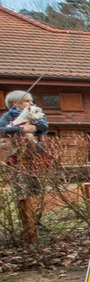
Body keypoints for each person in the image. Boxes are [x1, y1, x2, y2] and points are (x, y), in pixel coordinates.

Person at [1, 90, 49, 244]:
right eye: (27, 101)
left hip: (35, 156)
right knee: (22, 190)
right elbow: (3, 129)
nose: (31, 104)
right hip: (18, 158)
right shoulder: (8, 117)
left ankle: (38, 222)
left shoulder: (36, 113)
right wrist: (22, 129)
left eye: (31, 101)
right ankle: (28, 225)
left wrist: (34, 129)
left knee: (38, 190)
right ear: (16, 103)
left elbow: (44, 126)